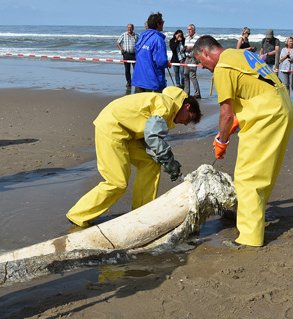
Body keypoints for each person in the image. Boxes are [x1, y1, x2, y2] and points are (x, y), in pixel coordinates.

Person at [193, 36, 293, 248]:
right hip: (281, 106)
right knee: (264, 170)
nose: (203, 68)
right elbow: (251, 94)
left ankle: (250, 238)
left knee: (247, 176)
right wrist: (228, 132)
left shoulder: (223, 66)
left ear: (205, 53)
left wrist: (221, 140)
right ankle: (251, 213)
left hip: (266, 114)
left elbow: (226, 114)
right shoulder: (241, 54)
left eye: (201, 63)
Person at [66, 87, 201, 227]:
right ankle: (78, 214)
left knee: (150, 163)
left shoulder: (166, 106)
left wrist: (164, 159)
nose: (185, 123)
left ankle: (142, 210)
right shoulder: (166, 105)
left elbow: (148, 140)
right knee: (117, 182)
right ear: (187, 106)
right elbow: (153, 136)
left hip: (127, 133)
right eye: (189, 118)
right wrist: (168, 159)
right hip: (112, 127)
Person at [132, 12, 170, 93]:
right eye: (162, 22)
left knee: (140, 104)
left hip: (139, 78)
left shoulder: (142, 36)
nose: (163, 24)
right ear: (158, 24)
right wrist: (167, 63)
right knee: (155, 105)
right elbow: (161, 61)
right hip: (153, 81)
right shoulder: (158, 39)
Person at [278, 36, 293, 106]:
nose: (291, 42)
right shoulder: (283, 50)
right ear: (287, 42)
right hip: (284, 68)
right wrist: (285, 56)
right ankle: (288, 99)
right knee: (286, 84)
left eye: (292, 41)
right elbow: (280, 60)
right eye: (290, 41)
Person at [116, 23, 138, 88]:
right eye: (128, 27)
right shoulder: (124, 35)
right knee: (127, 70)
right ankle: (129, 82)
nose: (129, 29)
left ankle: (136, 82)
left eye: (130, 27)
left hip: (134, 55)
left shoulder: (136, 35)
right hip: (126, 54)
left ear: (133, 28)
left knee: (136, 70)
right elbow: (118, 42)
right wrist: (121, 49)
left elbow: (140, 44)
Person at [183, 24, 201, 98]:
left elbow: (199, 48)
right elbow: (185, 47)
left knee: (192, 75)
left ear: (194, 30)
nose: (189, 31)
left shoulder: (197, 38)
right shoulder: (186, 38)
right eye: (188, 29)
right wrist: (184, 49)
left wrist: (192, 48)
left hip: (194, 57)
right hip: (187, 57)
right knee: (185, 74)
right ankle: (187, 92)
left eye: (190, 29)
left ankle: (197, 93)